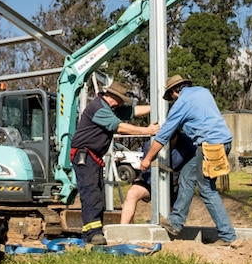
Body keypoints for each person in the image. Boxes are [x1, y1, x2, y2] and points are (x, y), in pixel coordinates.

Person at [139, 75, 240, 248]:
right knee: (187, 174)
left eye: (170, 97)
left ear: (174, 92)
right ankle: (176, 222)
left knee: (207, 189)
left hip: (209, 145)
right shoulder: (203, 92)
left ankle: (228, 236)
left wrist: (147, 159)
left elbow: (163, 135)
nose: (172, 100)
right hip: (223, 142)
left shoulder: (181, 104)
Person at [71, 81, 159, 245]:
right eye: (120, 101)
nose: (121, 105)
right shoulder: (98, 108)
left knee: (98, 194)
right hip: (85, 156)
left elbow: (133, 111)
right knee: (91, 193)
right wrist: (147, 131)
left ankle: (90, 233)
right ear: (112, 96)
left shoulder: (110, 109)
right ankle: (94, 233)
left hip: (93, 157)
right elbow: (118, 127)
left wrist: (157, 106)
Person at [120, 130, 195, 224]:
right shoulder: (150, 144)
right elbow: (148, 171)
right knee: (132, 194)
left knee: (172, 210)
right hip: (150, 180)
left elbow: (193, 163)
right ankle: (123, 229)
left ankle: (170, 229)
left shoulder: (186, 142)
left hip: (174, 183)